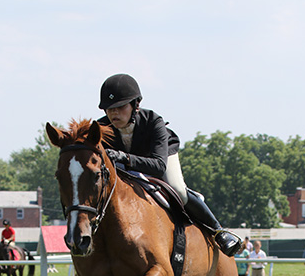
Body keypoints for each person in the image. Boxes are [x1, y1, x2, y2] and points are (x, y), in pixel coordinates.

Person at [97, 73, 241, 258]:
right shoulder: (101, 128)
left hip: (159, 157)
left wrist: (125, 158)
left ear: (135, 105)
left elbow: (158, 166)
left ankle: (218, 231)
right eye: (109, 109)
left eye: (120, 107)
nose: (114, 114)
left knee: (178, 189)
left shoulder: (153, 122)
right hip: (125, 168)